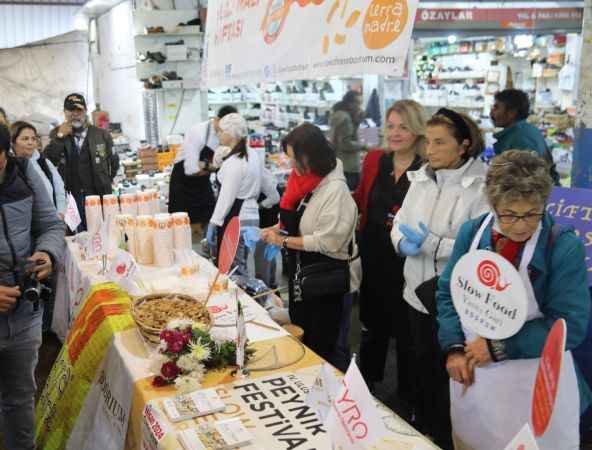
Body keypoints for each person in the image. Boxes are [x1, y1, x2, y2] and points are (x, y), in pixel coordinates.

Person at [437, 150, 591, 449]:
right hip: (476, 380)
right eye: (509, 214)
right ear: (493, 205)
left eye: (532, 213)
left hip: (534, 383)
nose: (521, 225)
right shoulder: (472, 233)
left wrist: (498, 348)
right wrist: (454, 348)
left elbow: (569, 324)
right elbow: (448, 293)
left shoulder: (563, 246)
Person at [390, 108, 489, 448]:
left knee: (452, 375)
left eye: (439, 142)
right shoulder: (420, 177)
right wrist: (402, 242)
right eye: (428, 142)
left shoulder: (481, 187)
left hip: (453, 300)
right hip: (414, 293)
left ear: (463, 145)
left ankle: (450, 438)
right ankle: (427, 430)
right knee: (422, 369)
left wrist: (432, 244)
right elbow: (400, 221)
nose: (429, 150)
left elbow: (478, 244)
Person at [261, 123, 358, 366]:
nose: (291, 166)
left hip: (327, 283)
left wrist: (282, 240)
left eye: (295, 159)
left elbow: (327, 241)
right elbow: (303, 220)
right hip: (305, 277)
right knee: (307, 335)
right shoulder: (308, 181)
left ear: (311, 156)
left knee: (326, 346)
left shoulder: (335, 190)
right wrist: (276, 229)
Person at [353, 100, 427, 408]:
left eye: (404, 127)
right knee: (371, 323)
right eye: (391, 126)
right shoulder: (374, 160)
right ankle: (365, 384)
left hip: (407, 258)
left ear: (417, 130)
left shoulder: (426, 168)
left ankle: (408, 397)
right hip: (372, 251)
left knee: (406, 330)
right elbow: (361, 198)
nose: (395, 133)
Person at [0, 123, 65, 450]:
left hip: (25, 312)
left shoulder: (24, 173)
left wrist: (48, 252)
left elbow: (51, 224)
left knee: (20, 399)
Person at [45, 93, 119, 230]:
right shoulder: (57, 134)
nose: (75, 114)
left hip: (98, 194)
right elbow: (48, 160)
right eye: (70, 110)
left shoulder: (101, 134)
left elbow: (114, 163)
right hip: (72, 197)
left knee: (103, 231)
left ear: (85, 111)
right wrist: (60, 137)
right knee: (77, 236)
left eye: (78, 110)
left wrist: (105, 180)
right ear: (65, 112)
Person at [206, 113, 265, 275]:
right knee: (241, 265)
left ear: (231, 134)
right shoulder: (252, 154)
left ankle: (244, 300)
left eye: (221, 131)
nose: (218, 134)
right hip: (251, 217)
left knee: (234, 271)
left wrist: (213, 223)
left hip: (236, 219)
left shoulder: (236, 162)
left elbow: (226, 197)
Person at [169, 105, 238, 242]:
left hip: (202, 181)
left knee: (209, 220)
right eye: (225, 127)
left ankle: (207, 252)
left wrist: (207, 166)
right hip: (184, 182)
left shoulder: (227, 136)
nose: (227, 132)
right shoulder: (198, 132)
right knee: (183, 230)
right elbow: (191, 170)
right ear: (217, 119)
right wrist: (213, 167)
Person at [490, 89, 560, 184]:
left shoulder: (520, 138)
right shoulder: (525, 130)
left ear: (511, 113)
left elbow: (527, 181)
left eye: (496, 107)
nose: (491, 112)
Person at [11, 121, 66, 216]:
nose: (30, 142)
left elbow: (59, 190)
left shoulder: (44, 163)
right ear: (13, 142)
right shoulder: (9, 166)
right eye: (25, 139)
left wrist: (61, 213)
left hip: (51, 221)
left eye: (33, 139)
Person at [329, 90, 367, 190]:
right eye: (358, 103)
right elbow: (345, 144)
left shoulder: (340, 115)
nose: (360, 106)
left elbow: (348, 136)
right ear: (350, 104)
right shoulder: (344, 118)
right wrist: (364, 146)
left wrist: (357, 122)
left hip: (341, 163)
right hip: (348, 165)